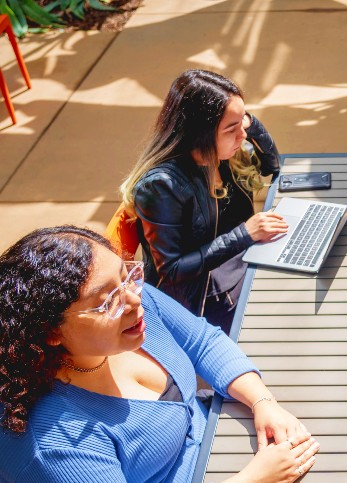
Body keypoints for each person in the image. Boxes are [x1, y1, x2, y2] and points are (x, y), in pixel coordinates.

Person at [0, 226, 319, 482]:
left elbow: (203, 341)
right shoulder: (53, 446)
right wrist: (255, 478)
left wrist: (263, 402)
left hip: (228, 438)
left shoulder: (133, 307)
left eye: (126, 274)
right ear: (52, 332)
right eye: (106, 300)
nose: (134, 299)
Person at [120, 69, 287, 334]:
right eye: (231, 129)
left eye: (241, 123)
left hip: (239, 263)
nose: (242, 135)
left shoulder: (222, 155)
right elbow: (171, 270)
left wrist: (249, 122)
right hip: (205, 299)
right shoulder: (162, 186)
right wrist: (245, 234)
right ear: (201, 134)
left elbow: (273, 165)